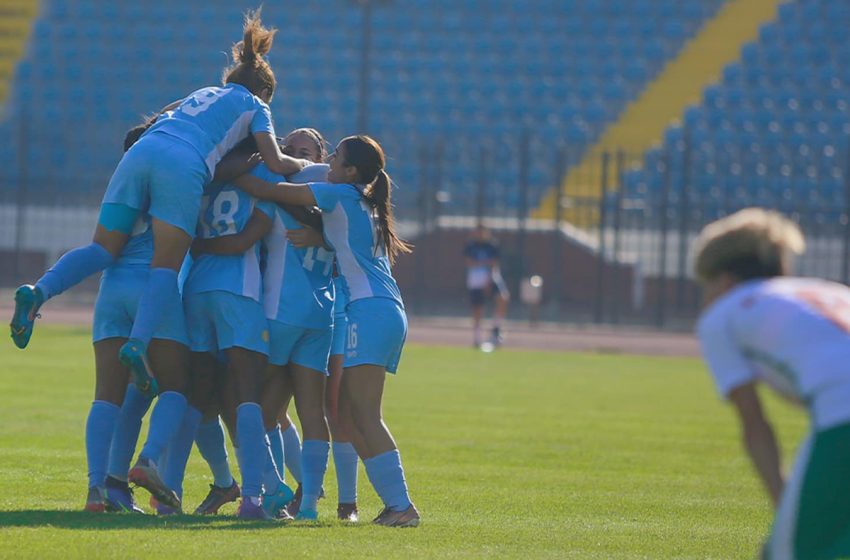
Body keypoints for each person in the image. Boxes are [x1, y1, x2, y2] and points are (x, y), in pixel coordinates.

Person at [9, 9, 306, 405]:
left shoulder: (203, 92)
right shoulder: (257, 106)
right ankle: (138, 343)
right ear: (264, 91)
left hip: (144, 151)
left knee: (101, 248)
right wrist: (301, 164)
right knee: (166, 265)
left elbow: (163, 115)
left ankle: (38, 290)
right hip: (182, 164)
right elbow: (274, 162)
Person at [234, 135, 420, 527]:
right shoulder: (364, 202)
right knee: (351, 417)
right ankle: (393, 505)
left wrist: (232, 168)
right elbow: (348, 245)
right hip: (383, 310)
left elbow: (267, 188)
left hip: (368, 311)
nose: (330, 161)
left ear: (350, 171)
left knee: (365, 415)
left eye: (336, 157)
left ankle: (402, 506)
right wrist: (320, 237)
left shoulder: (336, 194)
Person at [693, 207, 850, 559]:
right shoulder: (829, 292)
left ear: (724, 280)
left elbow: (755, 425)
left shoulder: (723, 315)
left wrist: (784, 503)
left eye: (706, 285)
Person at [463, 225, 509, 348]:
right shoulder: (471, 246)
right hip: (476, 278)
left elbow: (494, 263)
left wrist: (488, 279)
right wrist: (484, 263)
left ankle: (496, 327)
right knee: (478, 308)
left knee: (503, 297)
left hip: (491, 275)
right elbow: (469, 262)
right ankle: (477, 337)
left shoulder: (492, 245)